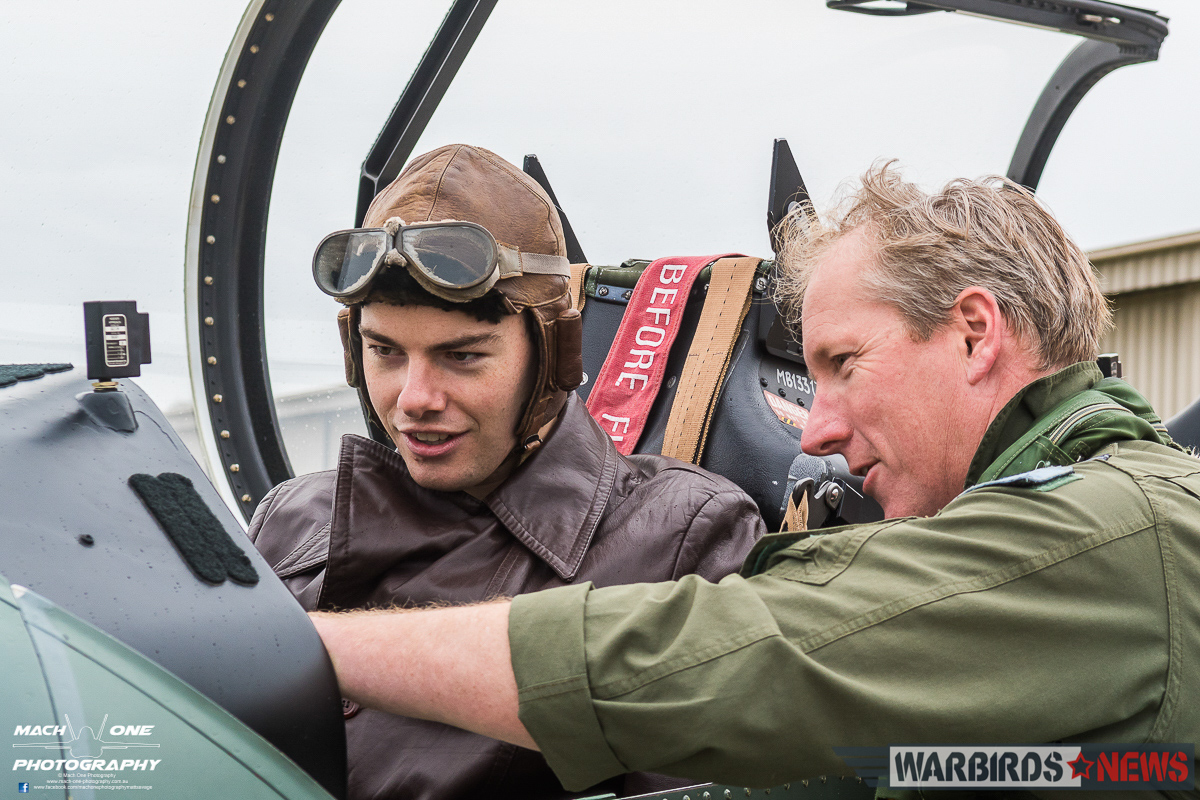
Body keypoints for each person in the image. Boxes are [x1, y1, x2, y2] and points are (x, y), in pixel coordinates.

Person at [306, 162, 1200, 794]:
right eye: (385, 351)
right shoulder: (1103, 527)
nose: (816, 427)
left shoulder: (1114, 534)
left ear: (975, 332)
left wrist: (300, 650)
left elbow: (739, 656)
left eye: (844, 363)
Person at [249, 143, 766, 800]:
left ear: (554, 355)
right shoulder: (292, 523)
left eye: (461, 356)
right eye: (384, 351)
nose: (414, 398)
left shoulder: (682, 539)